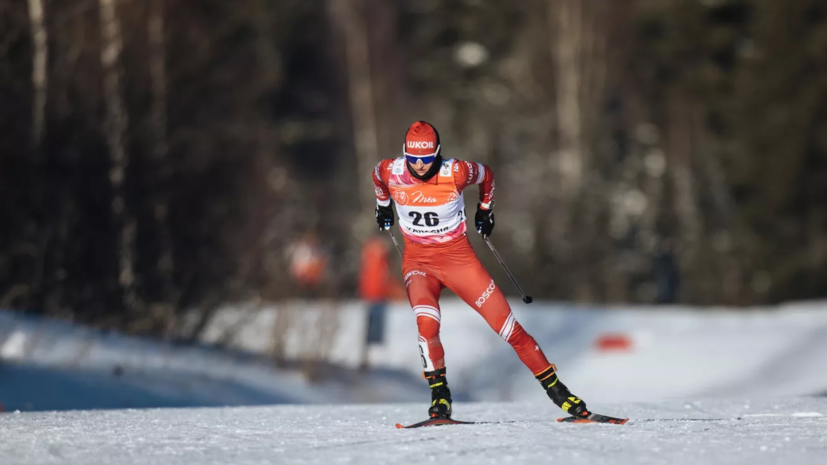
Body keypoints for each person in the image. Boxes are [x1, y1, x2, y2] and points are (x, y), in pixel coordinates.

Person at [372, 121, 590, 420]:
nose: (420, 166)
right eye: (413, 159)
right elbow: (377, 178)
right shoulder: (390, 170)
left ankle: (558, 392)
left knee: (510, 330)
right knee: (426, 326)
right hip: (419, 262)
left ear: (437, 153)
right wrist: (382, 206)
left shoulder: (456, 172)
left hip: (459, 260)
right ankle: (440, 397)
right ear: (405, 155)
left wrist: (486, 210)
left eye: (426, 158)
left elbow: (487, 174)